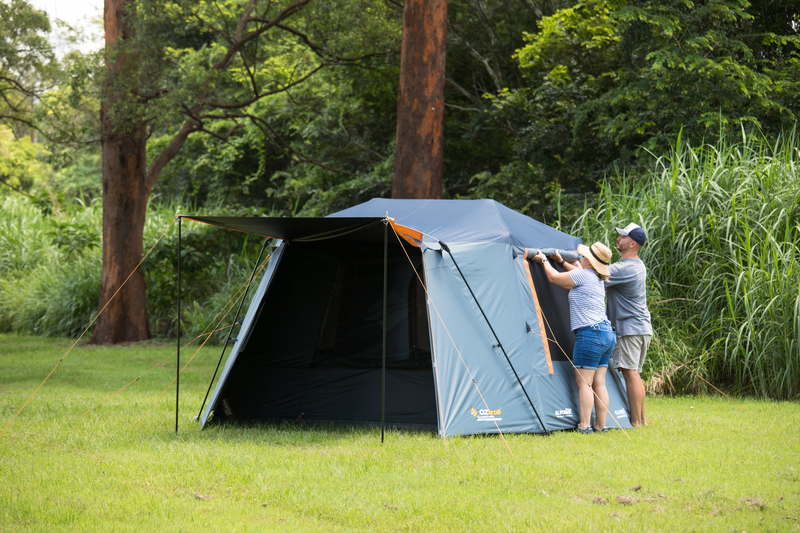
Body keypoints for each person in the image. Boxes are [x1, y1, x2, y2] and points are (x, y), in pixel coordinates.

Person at [532, 242, 616, 434]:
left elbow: (554, 278)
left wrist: (544, 260)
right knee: (600, 383)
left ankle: (584, 426)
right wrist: (561, 261)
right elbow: (575, 273)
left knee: (584, 383)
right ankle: (600, 426)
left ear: (590, 262)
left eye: (585, 257)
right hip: (607, 334)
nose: (581, 259)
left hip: (591, 334)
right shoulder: (597, 279)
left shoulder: (583, 275)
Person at [605, 223, 652, 428]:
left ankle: (635, 423)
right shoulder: (637, 265)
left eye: (623, 237)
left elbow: (594, 274)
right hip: (641, 328)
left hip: (630, 329)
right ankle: (641, 420)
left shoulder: (624, 268)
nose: (618, 239)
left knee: (630, 373)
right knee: (634, 374)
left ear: (632, 243)